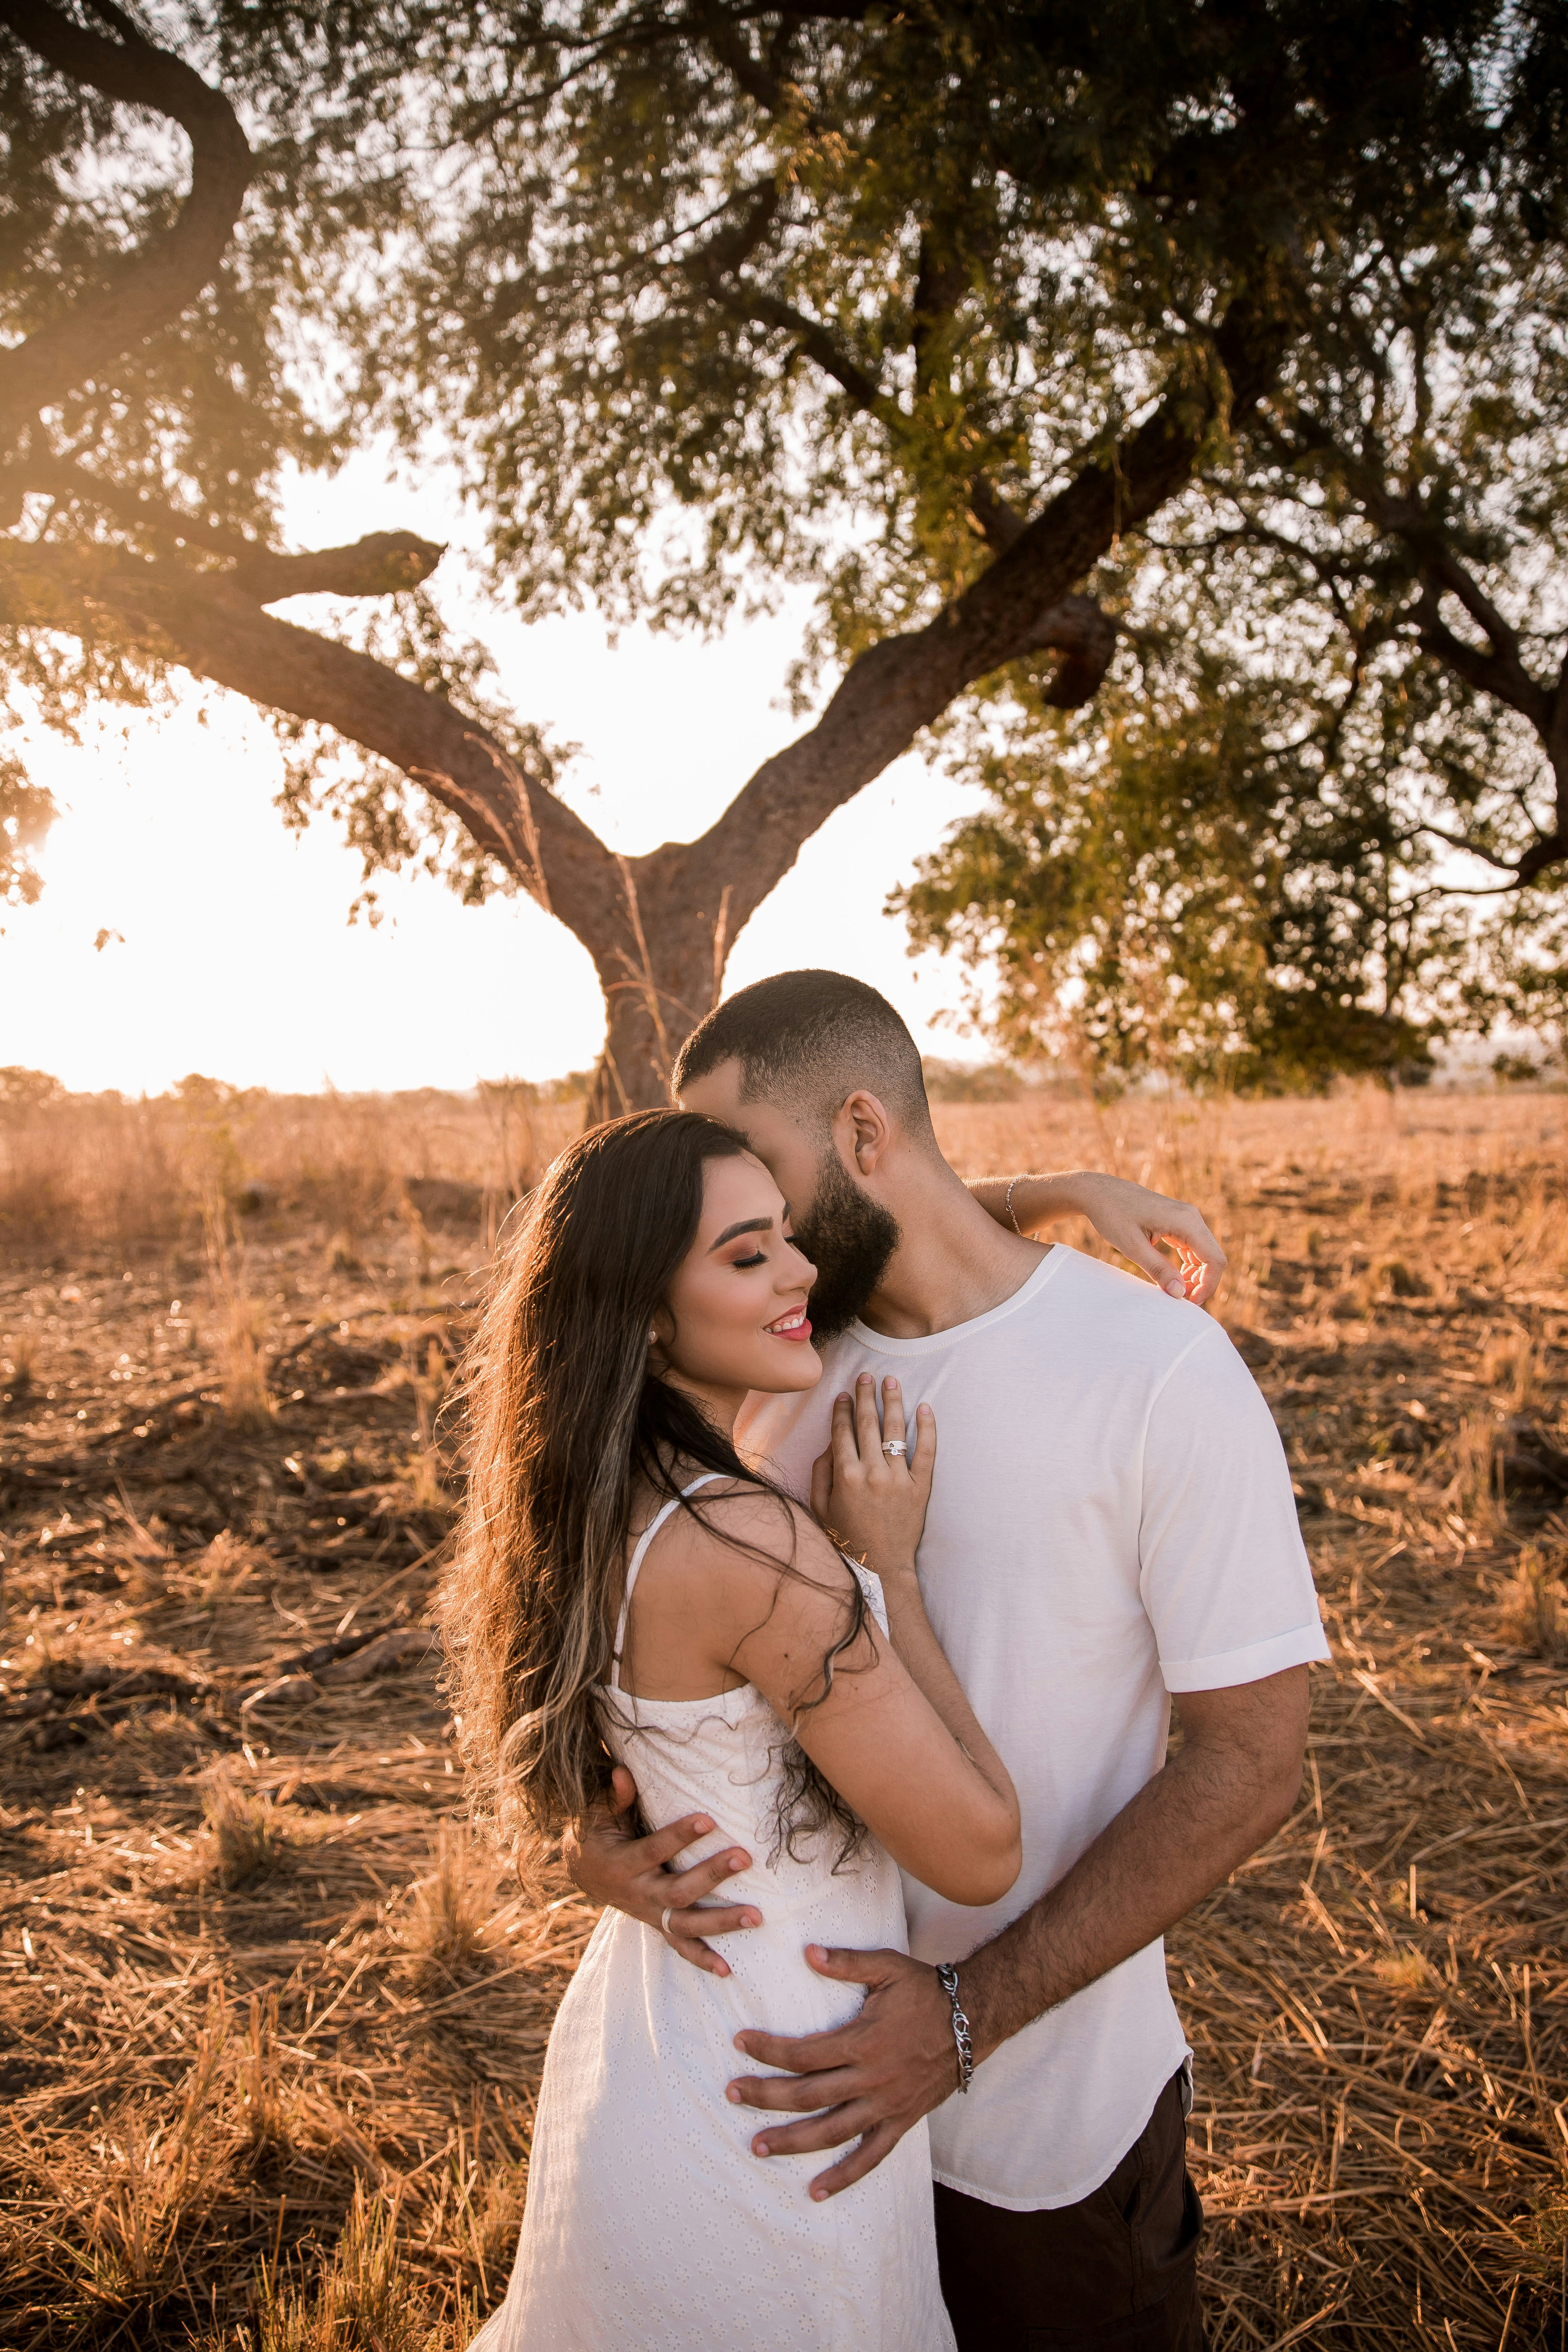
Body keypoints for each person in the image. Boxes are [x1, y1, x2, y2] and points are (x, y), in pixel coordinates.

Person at [569, 970, 1329, 2352]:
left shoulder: (1157, 1371)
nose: (757, 1230)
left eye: (768, 1181)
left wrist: (967, 2021)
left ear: (864, 1136)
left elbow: (1254, 1760)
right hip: (790, 2118)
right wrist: (597, 1841)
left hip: (1038, 2129)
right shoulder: (776, 1374)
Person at [451, 1106, 1023, 2351]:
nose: (805, 1271)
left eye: (788, 1235)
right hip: (778, 2113)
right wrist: (891, 1570)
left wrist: (1065, 1189)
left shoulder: (587, 1491)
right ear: (651, 1313)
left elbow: (605, 1790)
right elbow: (982, 1850)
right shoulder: (748, 1550)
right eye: (749, 1254)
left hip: (657, 2055)